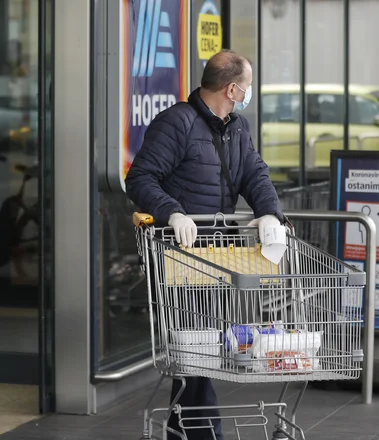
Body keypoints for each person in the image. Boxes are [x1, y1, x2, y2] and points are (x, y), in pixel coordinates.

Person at [125, 49, 284, 440]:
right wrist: (172, 213)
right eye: (246, 87)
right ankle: (204, 431)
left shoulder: (237, 126)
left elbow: (254, 174)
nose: (247, 93)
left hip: (218, 257)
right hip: (180, 259)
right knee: (196, 350)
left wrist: (271, 214)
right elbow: (141, 178)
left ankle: (187, 430)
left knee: (204, 349)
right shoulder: (176, 123)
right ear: (232, 88)